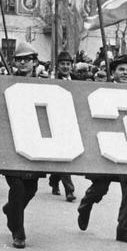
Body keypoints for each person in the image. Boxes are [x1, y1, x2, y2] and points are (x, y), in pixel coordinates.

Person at [77, 55, 127, 244]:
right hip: (106, 145)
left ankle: (123, 229)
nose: (125, 74)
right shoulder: (102, 91)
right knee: (100, 188)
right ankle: (85, 205)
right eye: (121, 70)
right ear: (113, 72)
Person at [2, 40, 47, 249]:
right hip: (12, 142)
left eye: (27, 60)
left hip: (35, 142)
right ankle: (18, 231)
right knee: (18, 187)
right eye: (19, 60)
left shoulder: (45, 84)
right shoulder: (5, 82)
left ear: (34, 62)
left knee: (31, 188)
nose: (22, 64)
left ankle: (11, 209)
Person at [48, 50, 77, 202]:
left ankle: (54, 180)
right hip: (55, 121)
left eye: (68, 64)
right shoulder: (51, 79)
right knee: (64, 156)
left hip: (70, 121)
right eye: (62, 64)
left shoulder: (77, 80)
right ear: (57, 65)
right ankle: (69, 191)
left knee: (63, 156)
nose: (65, 67)